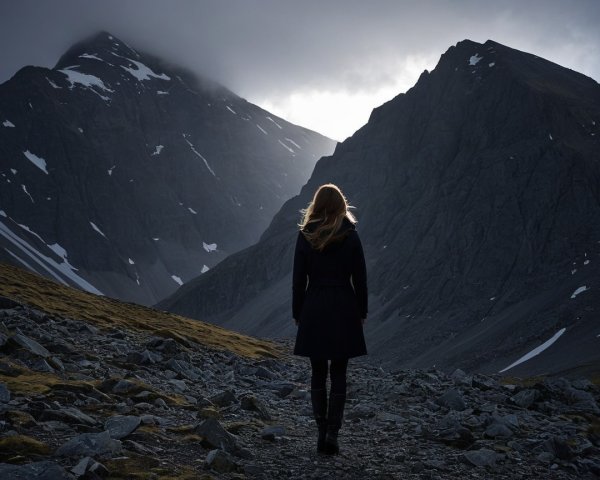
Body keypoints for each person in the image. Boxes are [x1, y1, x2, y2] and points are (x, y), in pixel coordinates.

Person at [292, 183, 368, 455]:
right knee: (339, 373)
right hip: (344, 306)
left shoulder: (305, 235)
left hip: (314, 305)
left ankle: (321, 431)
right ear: (340, 205)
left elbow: (299, 280)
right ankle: (333, 434)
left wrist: (298, 312)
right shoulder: (351, 235)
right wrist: (361, 312)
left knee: (317, 372)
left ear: (317, 204)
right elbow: (360, 278)